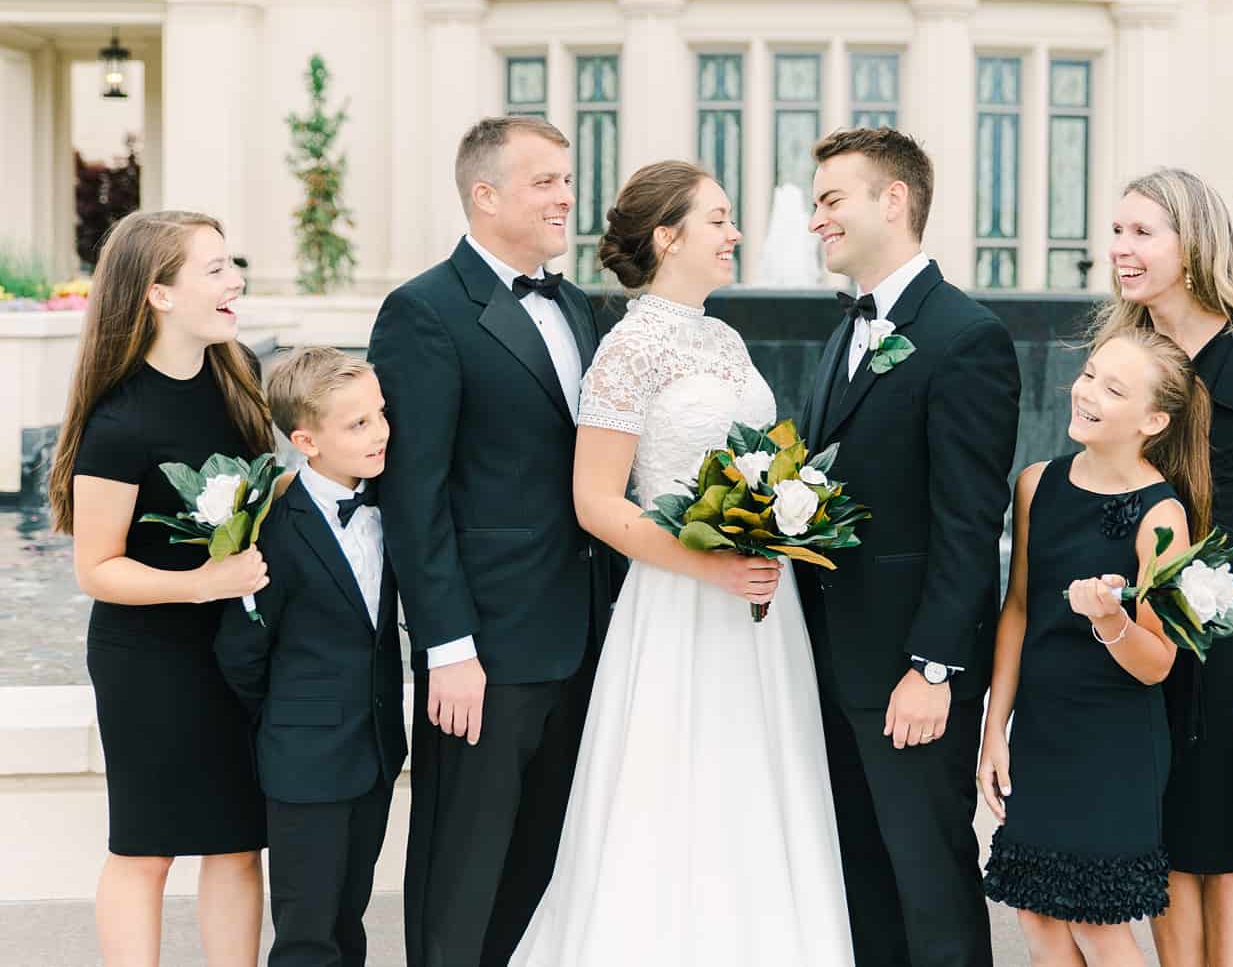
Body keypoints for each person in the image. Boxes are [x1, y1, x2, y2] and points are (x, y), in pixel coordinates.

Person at [510, 160, 854, 965]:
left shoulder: (725, 336)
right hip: (678, 605)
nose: (735, 234)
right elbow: (597, 501)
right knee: (673, 797)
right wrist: (709, 569)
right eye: (719, 219)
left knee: (760, 788)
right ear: (668, 236)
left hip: (763, 609)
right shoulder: (628, 350)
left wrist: (777, 522)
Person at [367, 116, 616, 967]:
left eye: (564, 179)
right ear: (486, 193)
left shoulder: (578, 304)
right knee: (462, 870)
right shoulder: (424, 311)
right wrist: (447, 645)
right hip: (484, 650)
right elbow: (414, 495)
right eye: (545, 180)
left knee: (543, 865)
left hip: (583, 635)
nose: (565, 196)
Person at [798, 127, 1021, 967]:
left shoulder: (966, 336)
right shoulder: (844, 332)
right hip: (834, 665)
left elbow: (970, 521)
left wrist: (933, 669)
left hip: (909, 675)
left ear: (893, 200)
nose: (817, 219)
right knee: (866, 886)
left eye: (831, 200)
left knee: (930, 887)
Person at [1091, 168, 1233, 966]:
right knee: (1168, 809)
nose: (1122, 247)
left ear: (1193, 244)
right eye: (1117, 231)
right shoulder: (1129, 351)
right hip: (1153, 605)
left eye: (1142, 232)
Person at [48, 210, 272, 967]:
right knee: (147, 851)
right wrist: (206, 580)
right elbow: (96, 569)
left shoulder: (238, 381)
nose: (234, 280)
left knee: (240, 844)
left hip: (233, 654)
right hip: (148, 661)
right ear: (159, 295)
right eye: (214, 270)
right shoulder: (121, 422)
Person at [980, 328, 1207, 967]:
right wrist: (995, 729)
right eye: (1090, 374)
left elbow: (1159, 662)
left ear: (1153, 420)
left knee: (1095, 927)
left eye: (1113, 388)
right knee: (1039, 919)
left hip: (1114, 744)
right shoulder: (1035, 484)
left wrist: (1110, 622)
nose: (1087, 392)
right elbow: (1019, 608)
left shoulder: (1162, 516)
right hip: (1041, 733)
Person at [214, 347, 407, 967]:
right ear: (306, 440)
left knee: (349, 918)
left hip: (375, 750)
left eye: (379, 415)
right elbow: (241, 652)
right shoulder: (272, 527)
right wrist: (292, 723)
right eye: (358, 424)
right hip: (304, 759)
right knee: (306, 932)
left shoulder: (391, 505)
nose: (379, 432)